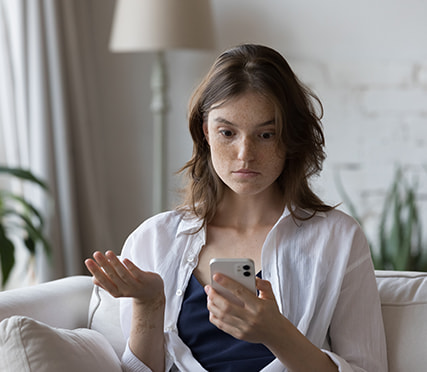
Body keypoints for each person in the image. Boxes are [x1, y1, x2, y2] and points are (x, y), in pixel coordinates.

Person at [85, 44, 388, 372]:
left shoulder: (337, 239)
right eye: (227, 132)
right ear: (206, 133)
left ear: (290, 138)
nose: (245, 153)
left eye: (266, 134)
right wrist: (150, 303)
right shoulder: (154, 239)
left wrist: (276, 333)